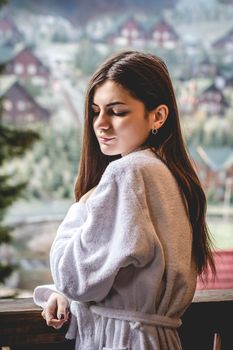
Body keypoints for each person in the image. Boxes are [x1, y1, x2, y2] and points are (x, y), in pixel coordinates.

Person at [33, 50, 215, 350]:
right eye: (95, 111)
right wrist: (65, 295)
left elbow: (72, 277)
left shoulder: (127, 173)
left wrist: (81, 207)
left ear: (157, 115)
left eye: (117, 111)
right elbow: (120, 277)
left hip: (122, 341)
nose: (100, 124)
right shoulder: (168, 173)